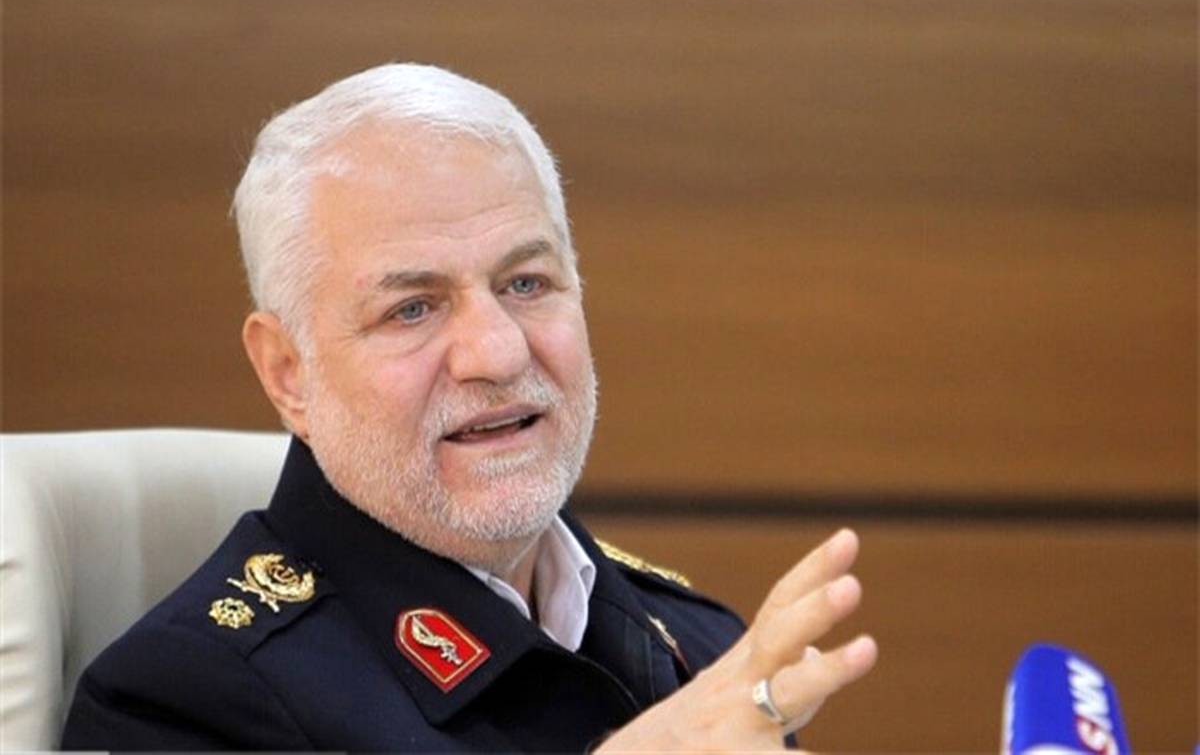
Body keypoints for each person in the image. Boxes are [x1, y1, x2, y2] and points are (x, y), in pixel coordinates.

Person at [61, 64, 876, 751]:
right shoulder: (180, 702)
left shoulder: (701, 647)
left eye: (525, 282)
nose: (498, 352)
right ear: (287, 373)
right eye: (411, 308)